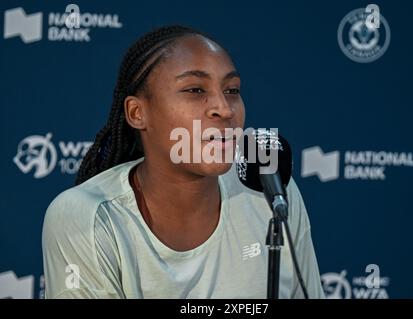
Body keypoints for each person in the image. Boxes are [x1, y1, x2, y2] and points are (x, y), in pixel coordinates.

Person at [42, 25, 325, 299]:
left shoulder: (268, 186)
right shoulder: (86, 216)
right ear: (137, 112)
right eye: (195, 90)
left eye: (232, 90)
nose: (224, 109)